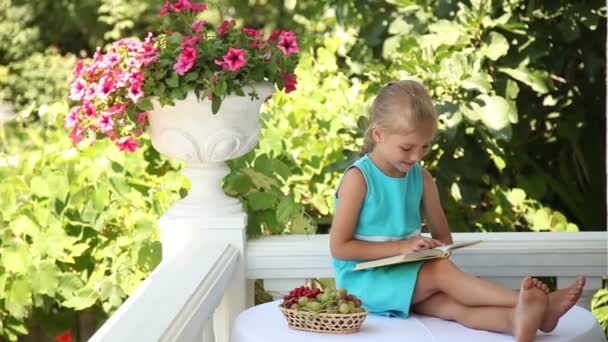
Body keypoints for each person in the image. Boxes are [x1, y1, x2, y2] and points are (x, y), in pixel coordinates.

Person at [329, 80, 586, 342]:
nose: (417, 156)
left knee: (452, 304)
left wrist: (430, 248)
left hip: (402, 276)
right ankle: (536, 304)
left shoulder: (422, 178)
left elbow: (444, 241)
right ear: (378, 134)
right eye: (407, 147)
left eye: (425, 146)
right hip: (363, 281)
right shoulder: (359, 178)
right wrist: (403, 247)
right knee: (441, 274)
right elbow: (340, 248)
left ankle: (517, 321)